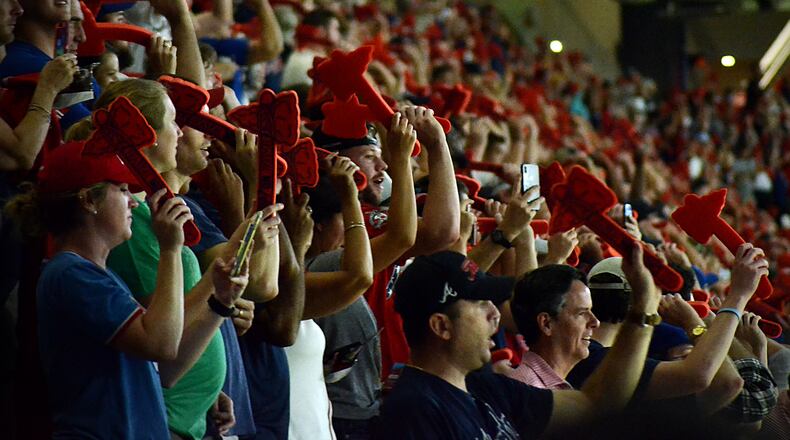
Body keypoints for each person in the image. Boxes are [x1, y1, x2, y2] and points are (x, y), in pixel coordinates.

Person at [5, 138, 246, 438]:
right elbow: (161, 344)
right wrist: (170, 249)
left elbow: (167, 370)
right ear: (88, 200)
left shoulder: (97, 275)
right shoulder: (71, 274)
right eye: (121, 189)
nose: (133, 200)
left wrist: (219, 305)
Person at [375, 244, 663, 439]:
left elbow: (596, 403)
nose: (494, 314)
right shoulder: (413, 409)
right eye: (478, 304)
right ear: (441, 326)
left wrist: (643, 312)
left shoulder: (485, 387)